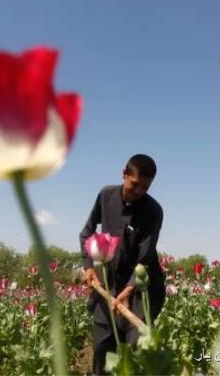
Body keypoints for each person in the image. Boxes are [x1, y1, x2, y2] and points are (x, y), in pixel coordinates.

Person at [79, 154, 165, 376]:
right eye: (135, 184)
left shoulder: (153, 211)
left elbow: (144, 260)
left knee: (134, 350)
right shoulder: (106, 195)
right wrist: (89, 266)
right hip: (108, 283)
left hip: (139, 288)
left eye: (145, 187)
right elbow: (87, 232)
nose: (139, 192)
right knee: (102, 349)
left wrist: (128, 291)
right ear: (124, 174)